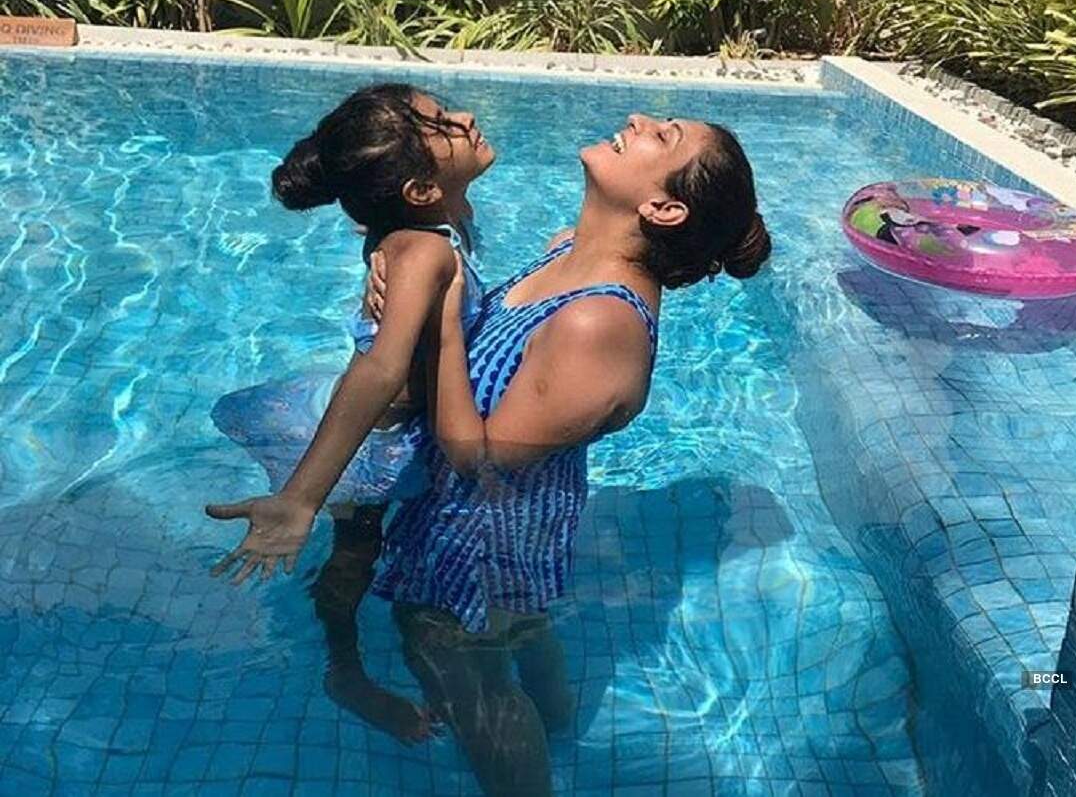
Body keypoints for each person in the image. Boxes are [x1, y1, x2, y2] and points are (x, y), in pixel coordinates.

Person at [366, 113, 772, 795]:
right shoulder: (567, 252)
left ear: (664, 208)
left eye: (663, 136)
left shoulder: (597, 321)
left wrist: (437, 323)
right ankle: (558, 717)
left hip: (483, 537)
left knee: (472, 677)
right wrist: (399, 273)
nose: (639, 120)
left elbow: (479, 461)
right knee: (518, 628)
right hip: (512, 525)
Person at [206, 82, 494, 743]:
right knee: (358, 549)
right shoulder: (423, 250)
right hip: (375, 439)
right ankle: (345, 671)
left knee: (376, 544)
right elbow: (381, 370)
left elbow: (384, 232)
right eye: (445, 124)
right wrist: (300, 499)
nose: (467, 117)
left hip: (386, 417)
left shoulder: (422, 223)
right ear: (419, 190)